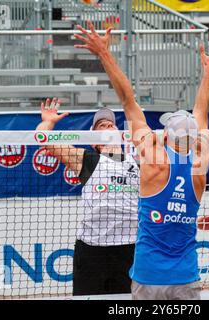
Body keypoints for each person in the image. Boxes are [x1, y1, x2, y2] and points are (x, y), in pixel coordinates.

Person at [74, 21, 209, 299]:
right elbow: (202, 117)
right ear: (194, 139)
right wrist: (208, 74)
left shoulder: (153, 160)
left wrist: (104, 54)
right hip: (186, 276)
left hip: (148, 276)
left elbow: (128, 101)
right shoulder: (199, 166)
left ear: (166, 136)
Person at [36, 98, 139, 295]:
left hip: (129, 249)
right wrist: (48, 122)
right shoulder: (88, 159)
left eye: (111, 124)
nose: (108, 126)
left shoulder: (138, 165)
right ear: (94, 141)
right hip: (93, 251)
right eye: (101, 125)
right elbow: (43, 138)